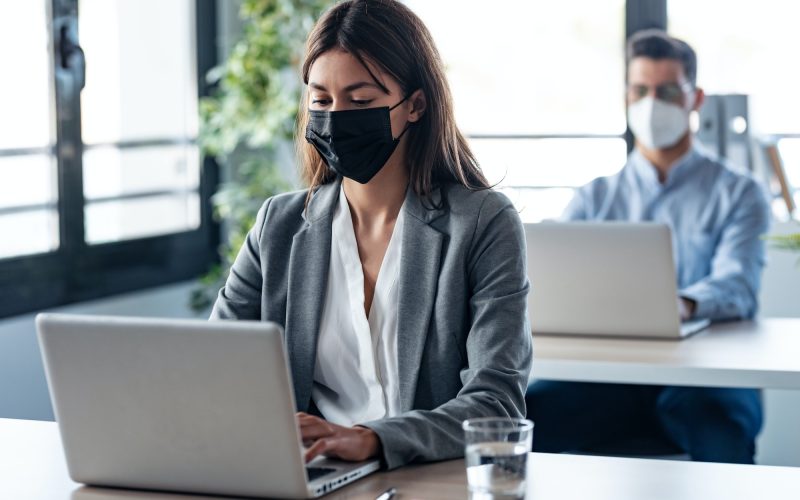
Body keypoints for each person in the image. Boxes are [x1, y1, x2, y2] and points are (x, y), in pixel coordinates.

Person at [211, 0, 531, 470]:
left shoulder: (482, 222)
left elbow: (497, 402)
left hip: (428, 476)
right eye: (321, 100)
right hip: (312, 472)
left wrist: (371, 440)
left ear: (415, 106)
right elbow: (215, 368)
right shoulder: (277, 224)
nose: (337, 116)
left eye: (360, 101)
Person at [525, 30, 771, 464]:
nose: (651, 103)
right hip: (606, 378)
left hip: (707, 376)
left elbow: (739, 285)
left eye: (667, 90)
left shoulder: (740, 192)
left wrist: (686, 304)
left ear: (695, 99)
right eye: (640, 90)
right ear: (626, 96)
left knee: (720, 423)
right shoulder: (593, 197)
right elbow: (555, 282)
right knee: (525, 413)